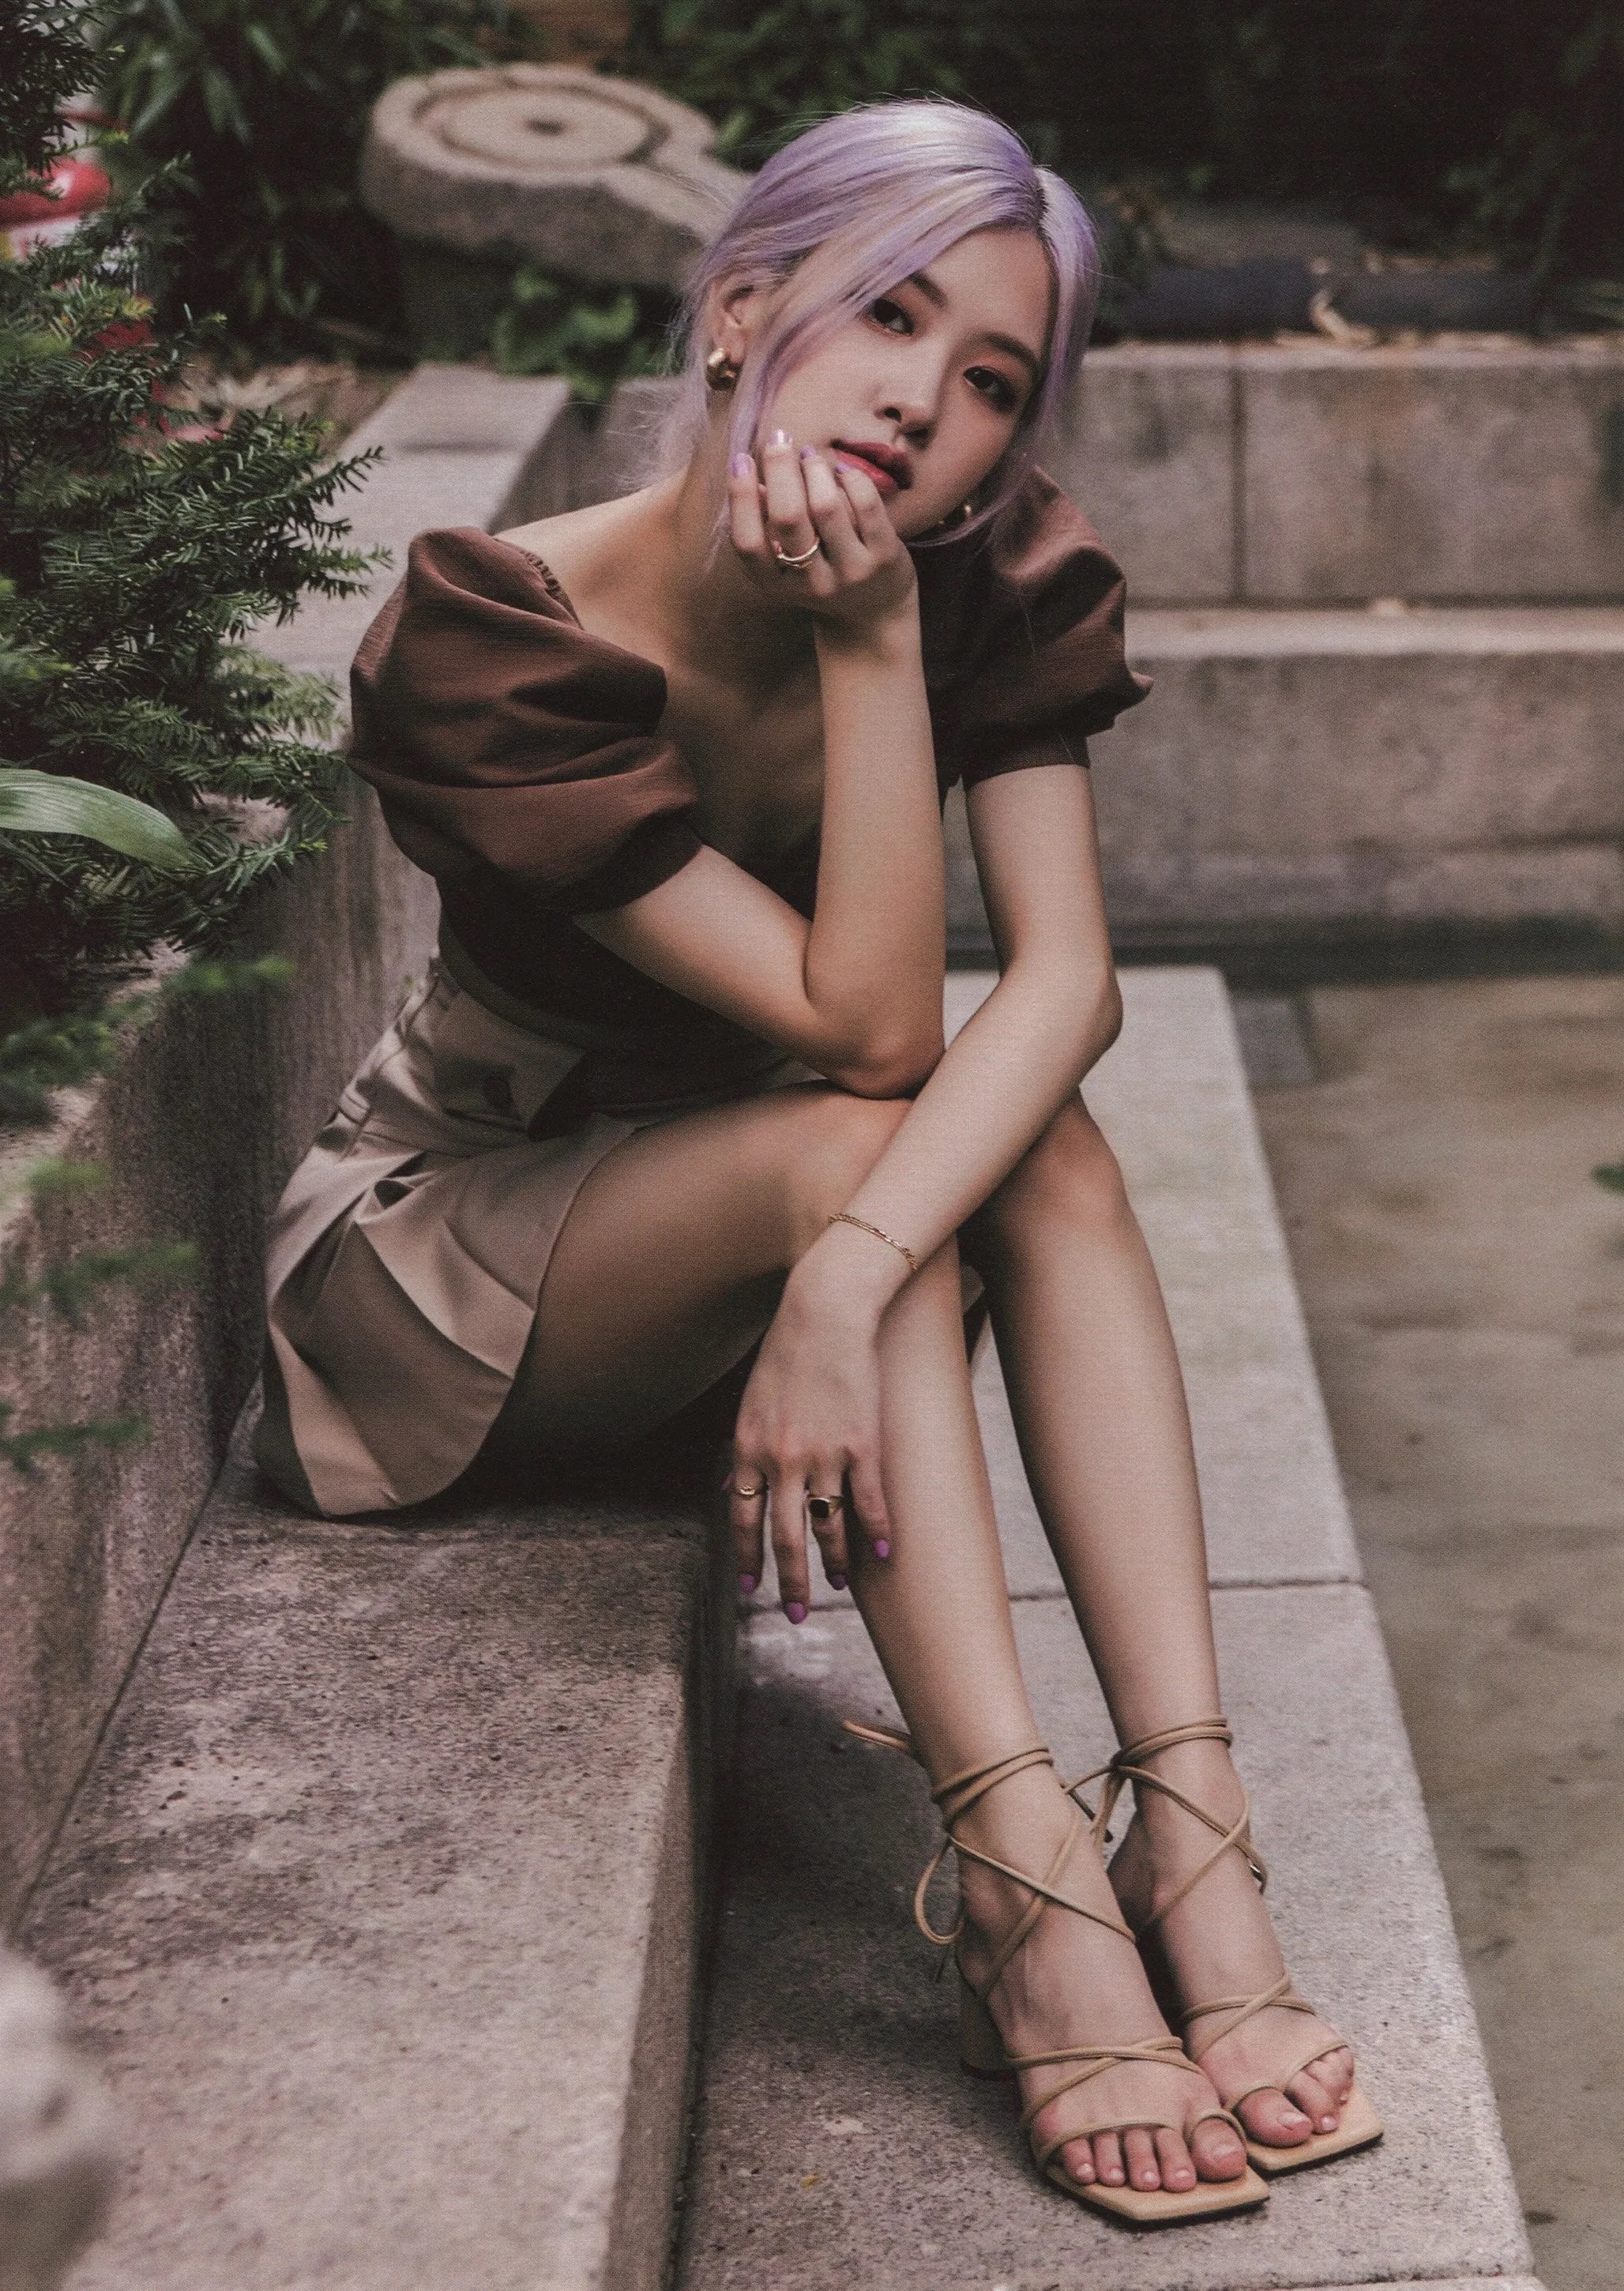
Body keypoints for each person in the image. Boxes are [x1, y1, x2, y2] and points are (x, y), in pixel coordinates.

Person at [254, 100, 1379, 2226]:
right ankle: (1027, 1887)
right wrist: (869, 655)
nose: (926, 404)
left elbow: (1065, 986)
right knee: (869, 1143)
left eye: (992, 379)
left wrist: (853, 1278)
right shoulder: (501, 634)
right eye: (888, 315)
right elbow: (868, 1026)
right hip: (449, 1260)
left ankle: (1191, 1830)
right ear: (742, 308)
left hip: (765, 1241)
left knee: (1030, 1145)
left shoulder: (993, 576)